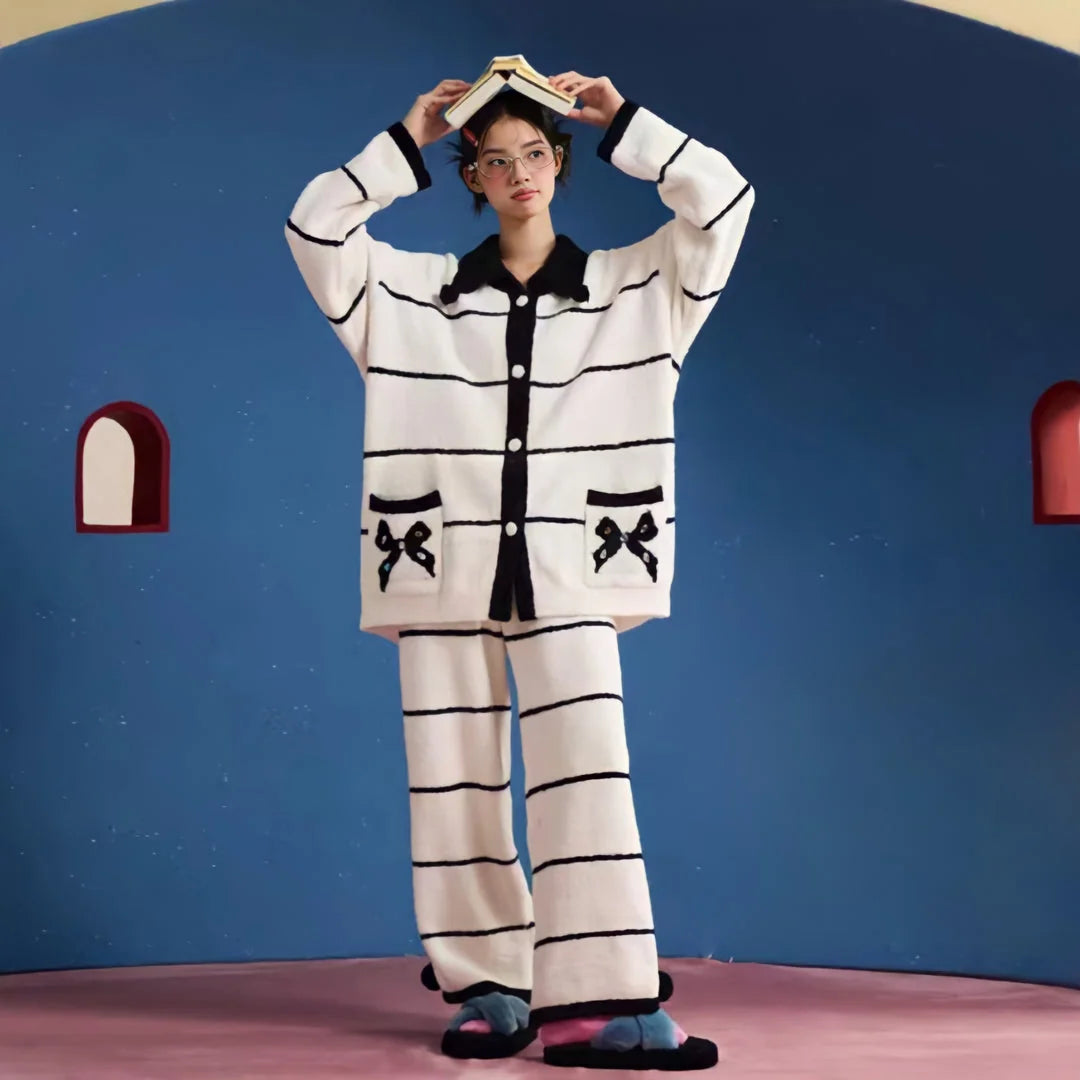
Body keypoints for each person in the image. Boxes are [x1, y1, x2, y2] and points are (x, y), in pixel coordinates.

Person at [285, 69, 754, 1071]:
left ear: (561, 163)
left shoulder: (642, 288)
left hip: (575, 569)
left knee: (587, 779)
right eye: (493, 160)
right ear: (472, 180)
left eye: (533, 154)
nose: (517, 174)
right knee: (450, 786)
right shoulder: (411, 294)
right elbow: (316, 230)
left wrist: (627, 121)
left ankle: (597, 1003)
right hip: (438, 569)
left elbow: (724, 199)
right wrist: (403, 141)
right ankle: (489, 985)